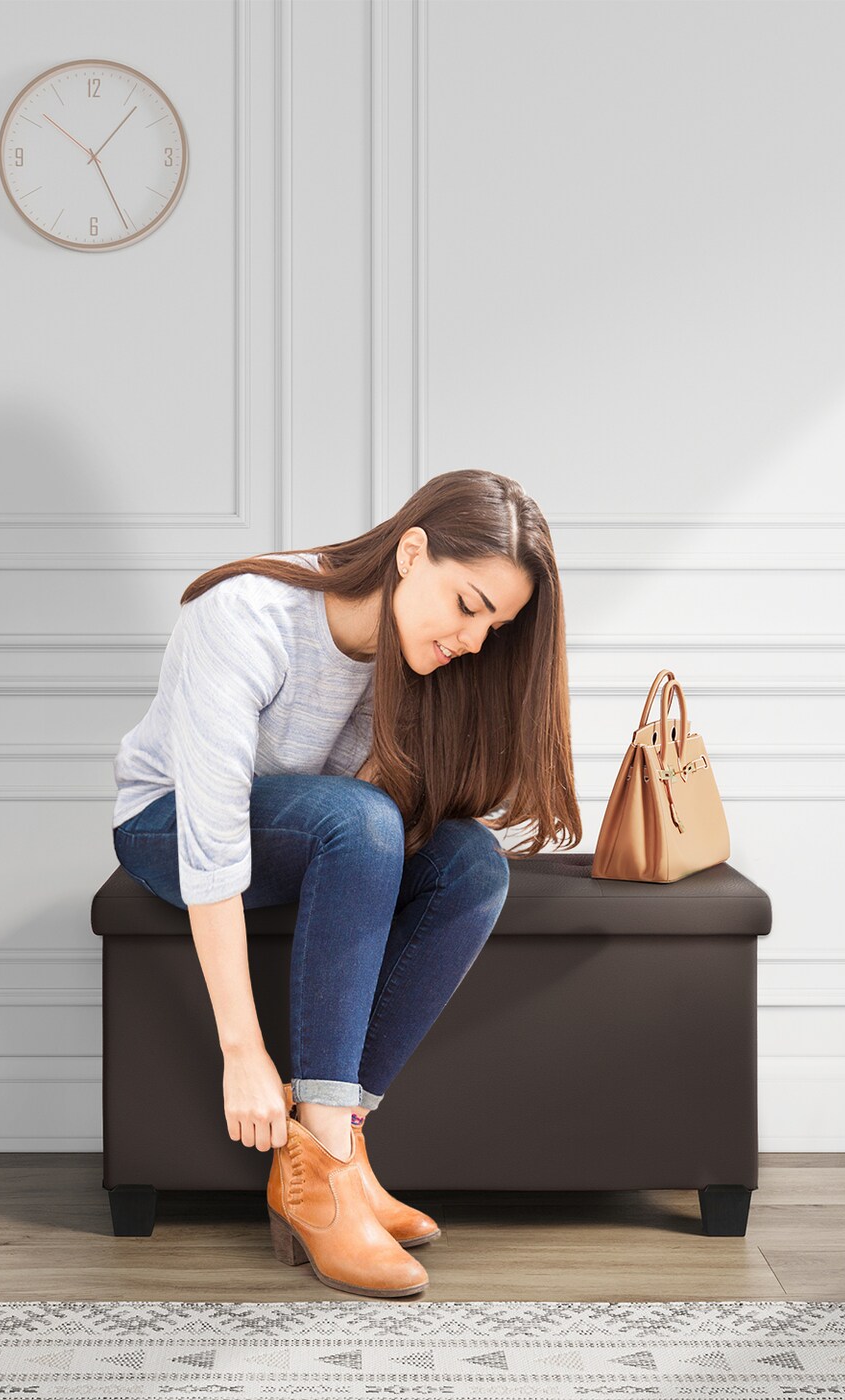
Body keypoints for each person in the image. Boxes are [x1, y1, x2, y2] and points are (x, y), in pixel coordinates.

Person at [111, 469, 582, 1299]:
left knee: (471, 863)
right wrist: (243, 1053)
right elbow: (214, 836)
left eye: (495, 626)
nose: (474, 640)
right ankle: (326, 1170)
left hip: (311, 831)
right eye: (468, 604)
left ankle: (337, 1147)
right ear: (411, 551)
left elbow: (382, 819)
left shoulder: (419, 664)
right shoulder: (248, 615)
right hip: (171, 822)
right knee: (359, 821)